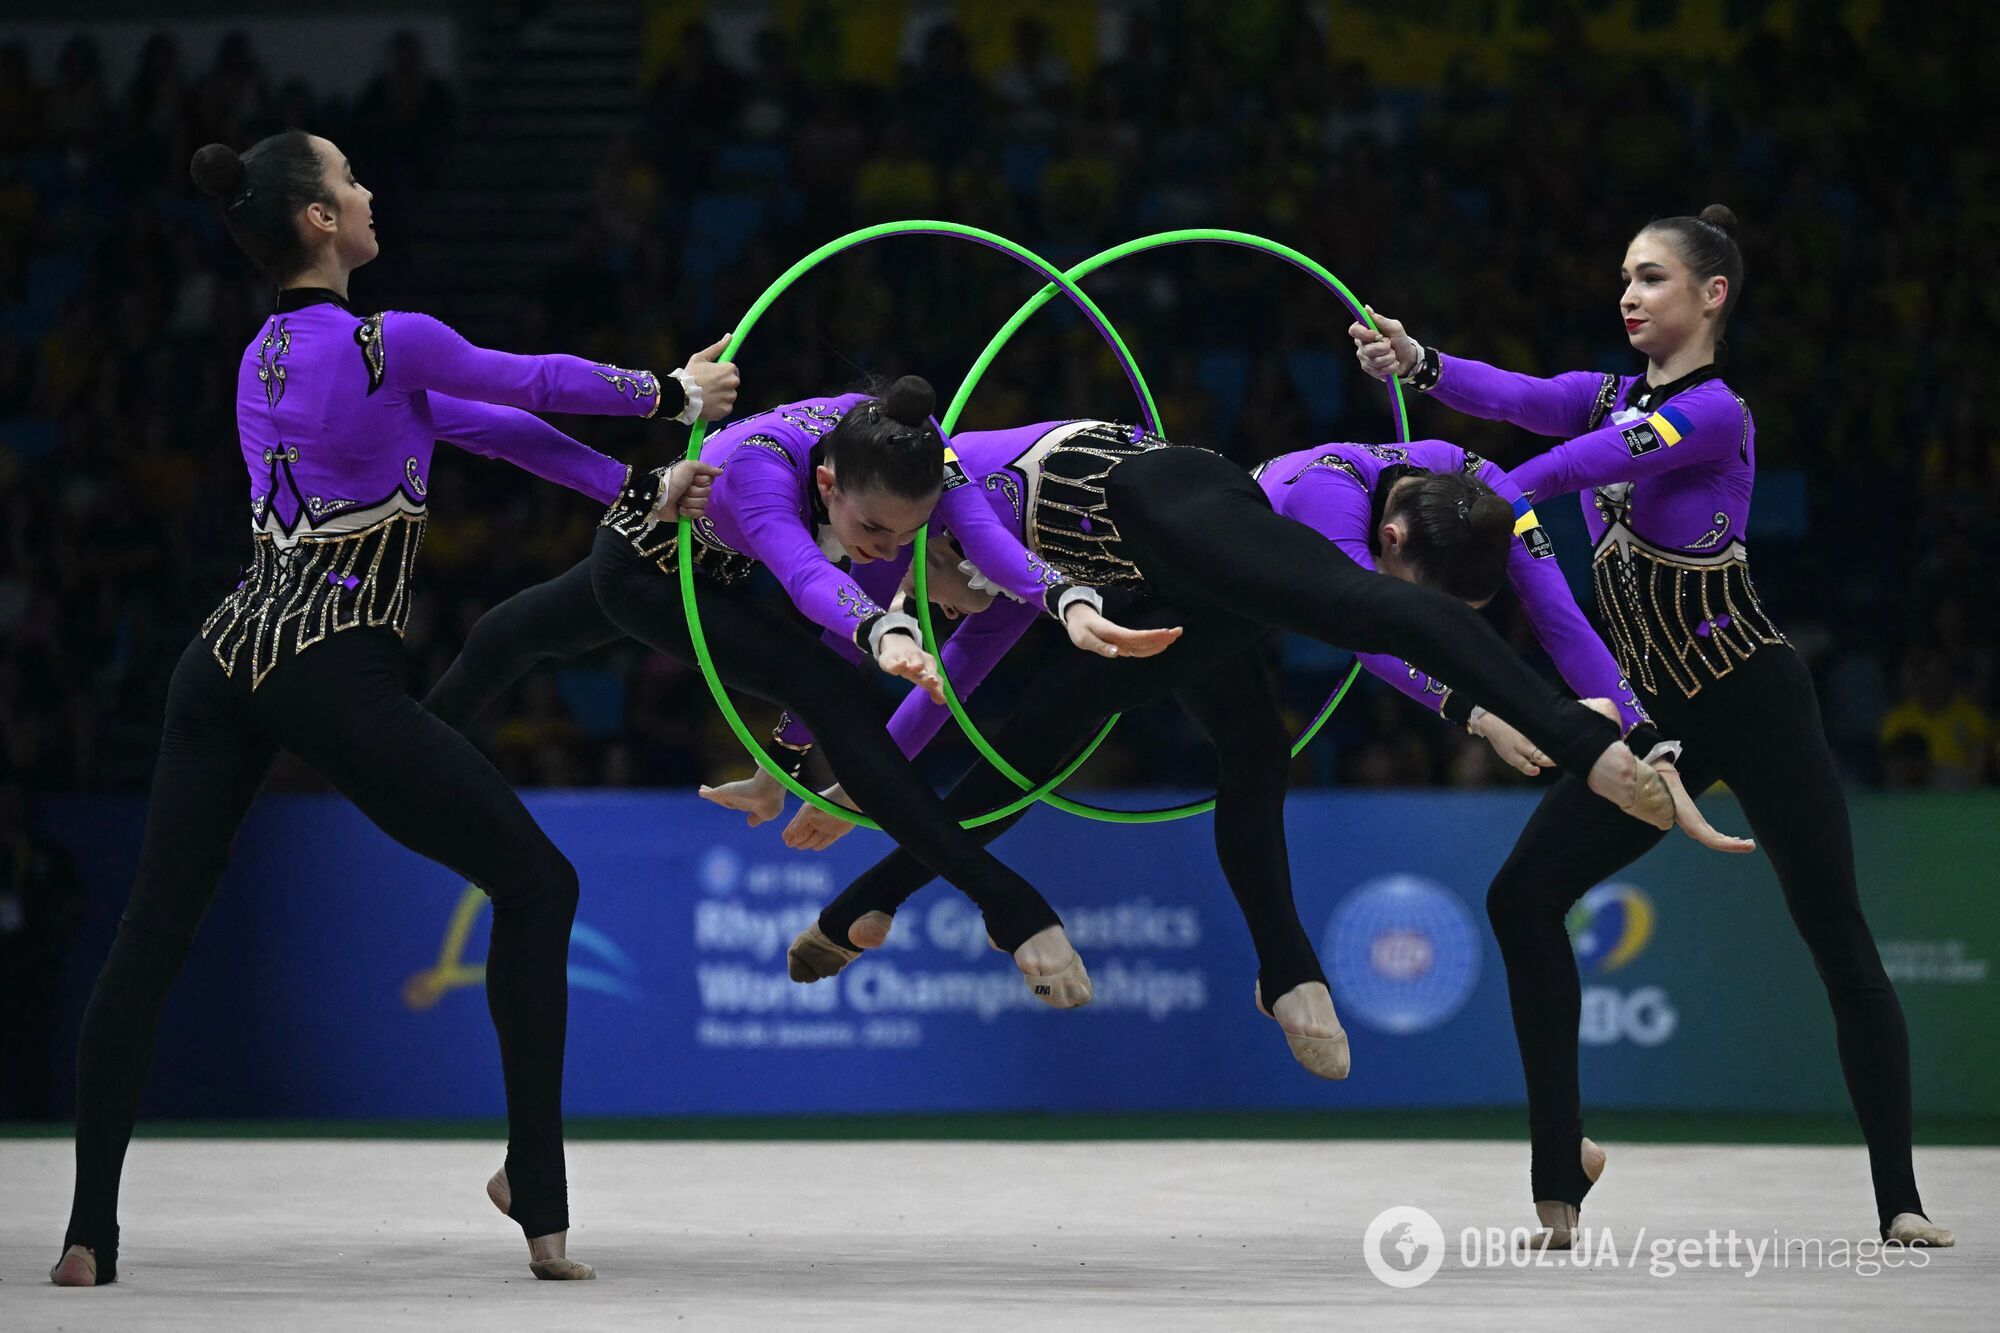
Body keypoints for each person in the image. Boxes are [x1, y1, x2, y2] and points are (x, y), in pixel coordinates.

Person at [51, 130, 739, 1288]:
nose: (370, 191)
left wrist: (636, 487)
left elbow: (493, 426)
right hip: (328, 667)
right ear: (320, 222)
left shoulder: (263, 355)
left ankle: (87, 1233)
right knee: (538, 883)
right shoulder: (391, 340)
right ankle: (536, 1185)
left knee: (147, 941)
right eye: (351, 180)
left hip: (218, 663)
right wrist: (668, 394)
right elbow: (523, 376)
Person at [707, 433, 1746, 1079]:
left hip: (1169, 505)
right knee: (1073, 742)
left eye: (912, 572)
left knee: (1342, 634)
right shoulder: (982, 578)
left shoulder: (953, 511)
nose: (936, 604)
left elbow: (1389, 619)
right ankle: (865, 907)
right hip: (1154, 585)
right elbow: (954, 683)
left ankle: (1576, 752)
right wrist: (836, 785)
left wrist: (1580, 724)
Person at [1350, 205, 1953, 1248]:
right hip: (1648, 710)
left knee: (1835, 935)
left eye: (1651, 278)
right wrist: (1417, 360)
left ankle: (1898, 1200)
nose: (1627, 295)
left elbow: (1577, 464)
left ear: (1710, 296)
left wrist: (1477, 488)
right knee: (1520, 894)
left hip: (1752, 697)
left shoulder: (1718, 413)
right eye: (1622, 278)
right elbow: (1521, 398)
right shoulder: (1604, 394)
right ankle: (1559, 1166)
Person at [427, 379, 1181, 1010]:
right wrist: (882, 628)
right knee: (829, 688)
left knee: (512, 632)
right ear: (826, 484)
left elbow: (983, 535)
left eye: (906, 539)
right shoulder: (761, 474)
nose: (887, 553)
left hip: (715, 569)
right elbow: (810, 584)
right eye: (878, 534)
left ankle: (409, 744)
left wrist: (1067, 599)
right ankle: (1011, 906)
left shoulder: (902, 454)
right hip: (647, 567)